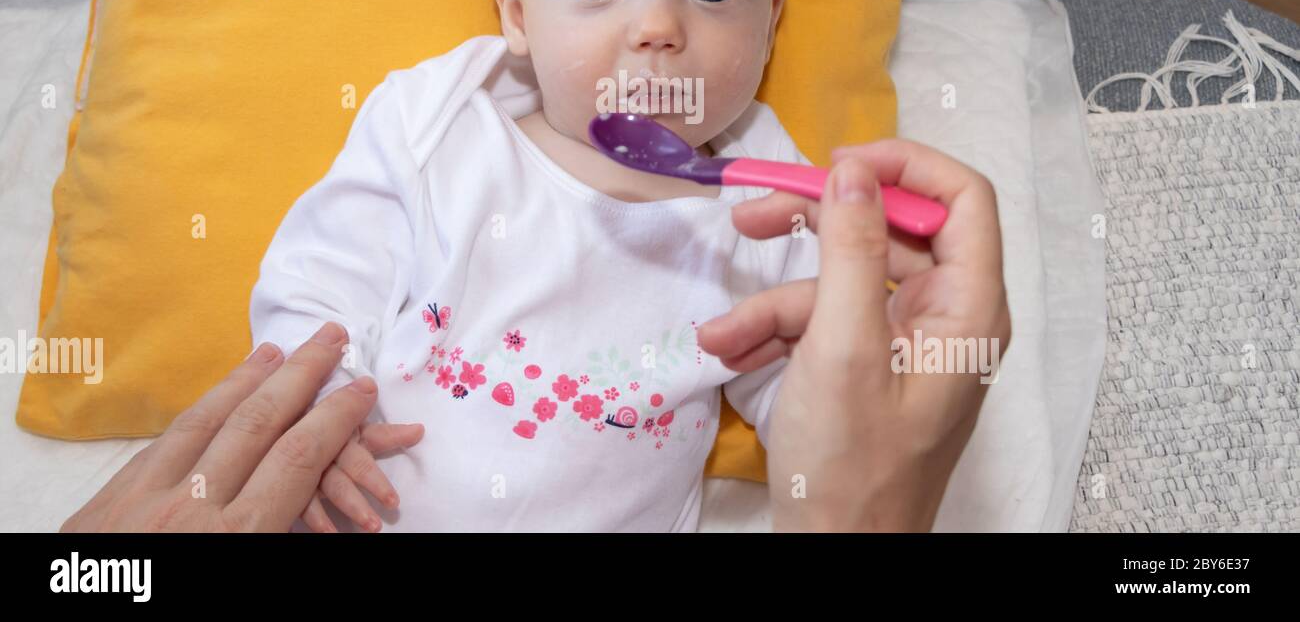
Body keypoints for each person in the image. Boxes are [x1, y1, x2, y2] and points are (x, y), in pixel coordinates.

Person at [61, 141, 1009, 532]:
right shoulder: (444, 126)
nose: (656, 26)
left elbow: (814, 393)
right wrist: (326, 399)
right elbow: (324, 267)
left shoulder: (766, 203)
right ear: (516, 6)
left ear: (770, 16)